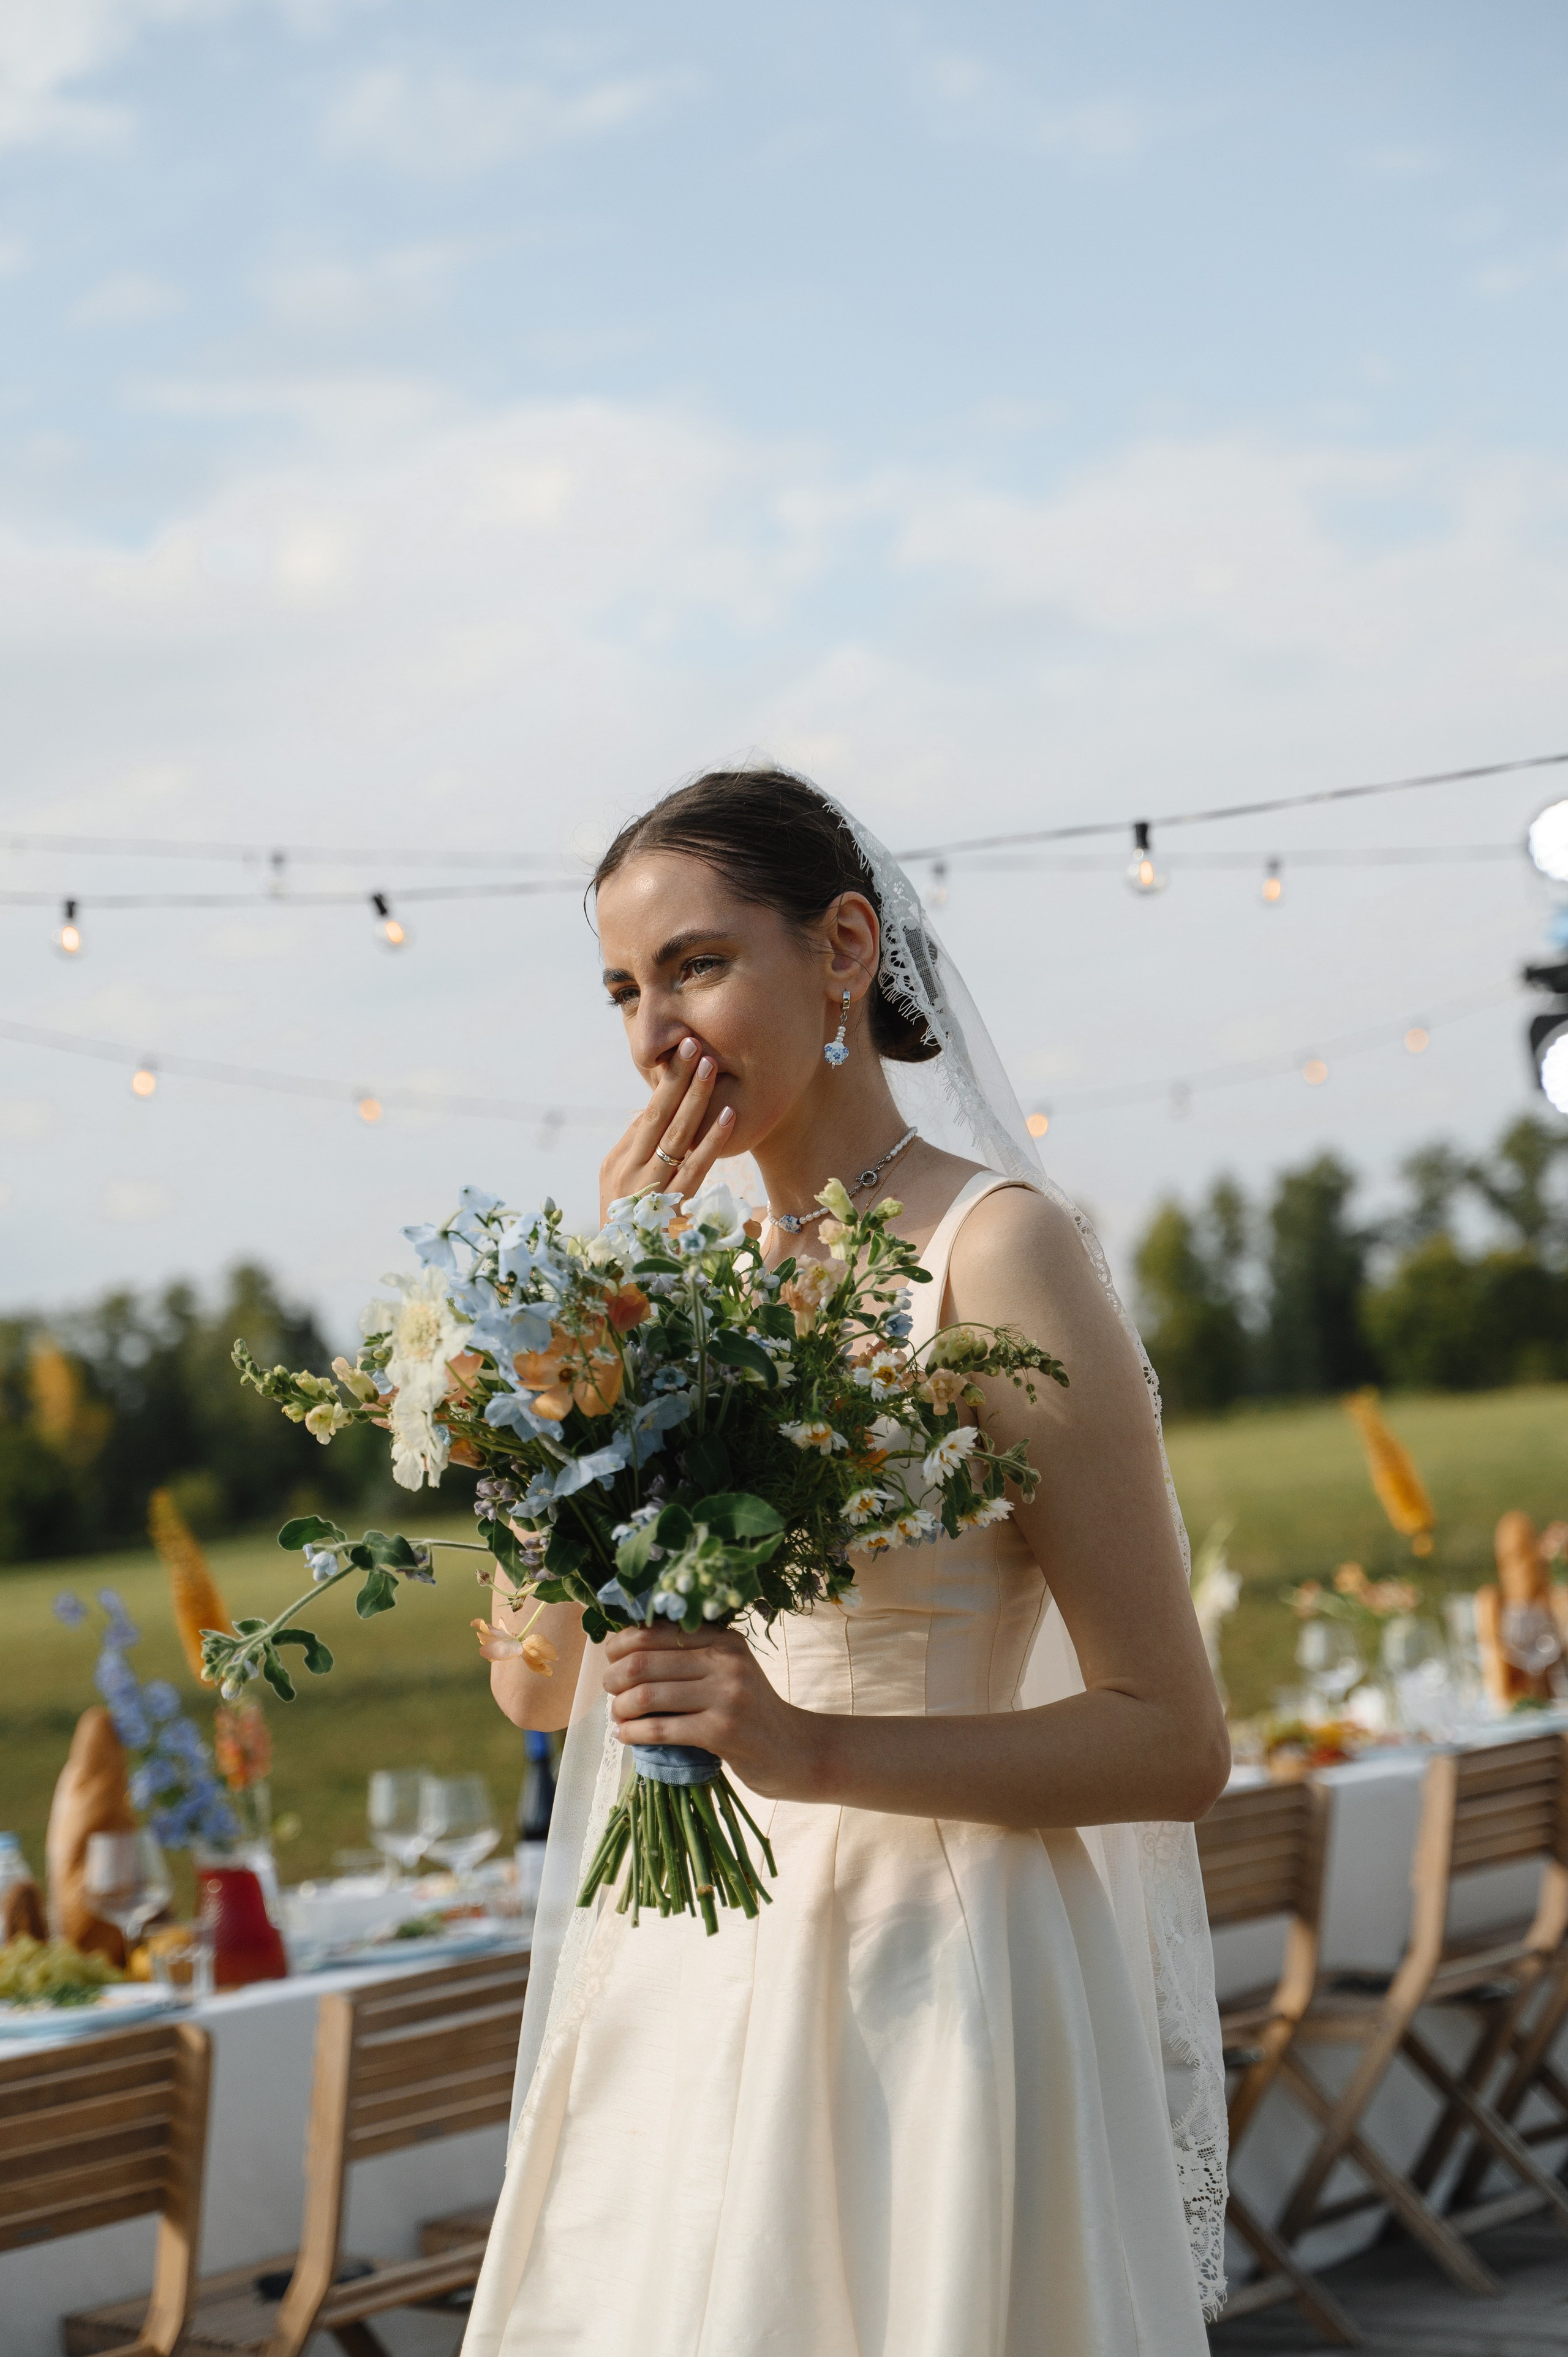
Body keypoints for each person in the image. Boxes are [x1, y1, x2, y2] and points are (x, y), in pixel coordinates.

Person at [464, 769, 1230, 2357]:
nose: (653, 1035)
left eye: (694, 965)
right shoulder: (665, 1286)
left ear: (843, 950)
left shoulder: (996, 1252)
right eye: (622, 990)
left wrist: (805, 1749)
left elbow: (1175, 1738)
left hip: (937, 1969)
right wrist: (582, 1343)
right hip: (685, 1976)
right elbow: (537, 1692)